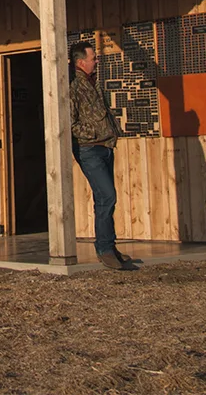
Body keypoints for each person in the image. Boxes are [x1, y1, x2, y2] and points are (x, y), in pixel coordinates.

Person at [70, 39, 135, 271]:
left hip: (105, 147)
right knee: (108, 196)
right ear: (80, 62)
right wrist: (95, 132)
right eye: (93, 58)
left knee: (104, 199)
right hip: (89, 148)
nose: (96, 61)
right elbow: (70, 122)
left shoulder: (94, 83)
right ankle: (105, 249)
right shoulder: (74, 87)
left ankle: (110, 246)